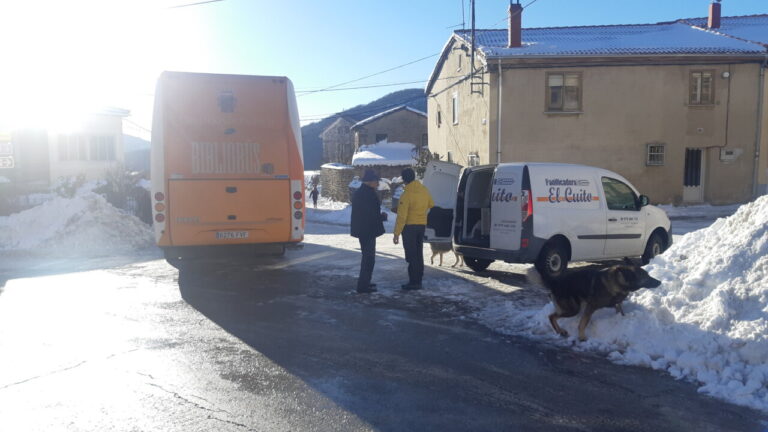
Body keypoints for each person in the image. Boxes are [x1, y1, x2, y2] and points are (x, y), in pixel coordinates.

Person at [393, 167, 434, 290]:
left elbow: (402, 216)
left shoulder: (406, 195)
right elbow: (431, 204)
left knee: (411, 255)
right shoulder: (424, 190)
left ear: (404, 179)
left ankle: (413, 282)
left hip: (409, 227)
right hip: (421, 226)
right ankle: (418, 280)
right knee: (418, 253)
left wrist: (396, 233)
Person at [350, 169, 386, 293]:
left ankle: (366, 282)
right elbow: (369, 214)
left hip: (365, 229)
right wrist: (381, 217)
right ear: (370, 181)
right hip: (367, 230)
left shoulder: (364, 192)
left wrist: (379, 216)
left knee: (369, 258)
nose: (378, 183)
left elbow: (369, 213)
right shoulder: (366, 194)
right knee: (368, 258)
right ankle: (363, 286)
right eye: (376, 181)